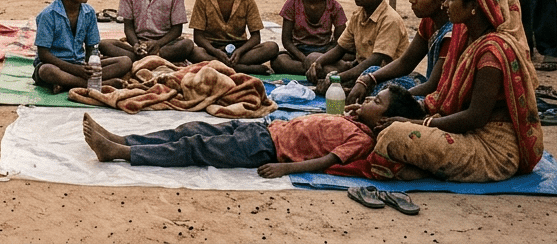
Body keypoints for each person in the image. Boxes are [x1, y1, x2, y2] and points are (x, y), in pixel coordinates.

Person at [366, 0, 544, 183]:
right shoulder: (466, 35)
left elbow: (475, 117)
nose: (445, 4)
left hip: (492, 149)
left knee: (393, 135)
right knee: (386, 123)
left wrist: (419, 123)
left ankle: (417, 169)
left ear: (474, 6)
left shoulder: (493, 52)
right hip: (465, 132)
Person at [80, 83, 423, 174]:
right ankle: (122, 138)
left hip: (266, 150)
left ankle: (121, 153)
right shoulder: (354, 120)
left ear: (381, 122)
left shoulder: (361, 138)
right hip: (265, 129)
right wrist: (357, 110)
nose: (368, 101)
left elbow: (327, 161)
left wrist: (286, 167)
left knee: (195, 147)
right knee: (191, 127)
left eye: (375, 102)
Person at [347, 0, 455, 103]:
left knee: (387, 95)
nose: (411, 0)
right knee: (372, 71)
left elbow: (432, 85)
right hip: (424, 88)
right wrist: (368, 79)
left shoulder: (451, 34)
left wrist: (395, 97)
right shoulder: (429, 22)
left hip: (438, 96)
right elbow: (406, 62)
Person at [305, 0, 410, 95]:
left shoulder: (390, 20)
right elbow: (340, 49)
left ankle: (346, 86)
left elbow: (375, 62)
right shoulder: (358, 15)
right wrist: (318, 63)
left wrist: (338, 78)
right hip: (358, 68)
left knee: (378, 89)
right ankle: (344, 84)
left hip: (380, 75)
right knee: (312, 59)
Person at [34, 0, 132, 90]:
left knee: (124, 62)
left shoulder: (89, 12)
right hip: (57, 65)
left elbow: (92, 47)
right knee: (47, 71)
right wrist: (76, 69)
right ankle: (97, 84)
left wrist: (91, 64)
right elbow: (44, 54)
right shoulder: (48, 15)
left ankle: (69, 84)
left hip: (80, 64)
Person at [271, 0, 348, 75]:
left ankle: (318, 68)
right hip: (298, 52)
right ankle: (320, 71)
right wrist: (304, 59)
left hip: (324, 52)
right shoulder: (292, 4)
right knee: (278, 61)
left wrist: (323, 58)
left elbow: (341, 42)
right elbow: (286, 41)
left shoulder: (334, 7)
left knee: (348, 56)